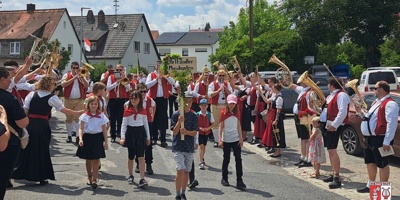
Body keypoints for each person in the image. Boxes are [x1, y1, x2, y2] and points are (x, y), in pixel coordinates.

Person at [12, 76, 84, 185]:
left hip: (30, 124)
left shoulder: (31, 94)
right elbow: (66, 111)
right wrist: (80, 112)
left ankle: (20, 173)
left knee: (27, 149)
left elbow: (25, 111)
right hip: (42, 126)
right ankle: (41, 176)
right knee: (42, 150)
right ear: (50, 85)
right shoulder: (52, 98)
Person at [356, 81, 399, 193]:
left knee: (383, 164)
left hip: (381, 138)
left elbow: (392, 124)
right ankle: (371, 186)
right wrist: (360, 112)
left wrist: (387, 141)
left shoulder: (390, 104)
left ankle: (383, 191)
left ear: (381, 89)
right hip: (370, 138)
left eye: (375, 88)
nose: (374, 90)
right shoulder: (377, 102)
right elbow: (369, 118)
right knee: (370, 161)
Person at [0, 67, 29, 199]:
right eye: (9, 79)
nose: (10, 81)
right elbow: (22, 123)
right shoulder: (10, 99)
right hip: (8, 142)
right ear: (2, 79)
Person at [320, 76, 350, 189]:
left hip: (333, 125)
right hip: (326, 123)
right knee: (330, 150)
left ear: (332, 85)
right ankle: (333, 173)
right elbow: (326, 110)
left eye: (328, 84)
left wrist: (334, 125)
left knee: (333, 150)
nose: (327, 86)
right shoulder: (331, 96)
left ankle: (337, 177)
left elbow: (342, 111)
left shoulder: (341, 95)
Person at [76, 96, 109, 189]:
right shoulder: (84, 116)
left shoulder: (101, 115)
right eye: (92, 104)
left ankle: (95, 179)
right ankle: (89, 176)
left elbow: (104, 129)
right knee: (88, 159)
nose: (94, 106)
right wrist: (81, 139)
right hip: (87, 138)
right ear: (88, 105)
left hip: (97, 138)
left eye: (95, 104)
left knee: (96, 159)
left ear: (98, 105)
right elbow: (81, 128)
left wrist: (106, 141)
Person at [170, 91, 198, 200]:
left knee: (186, 171)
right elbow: (175, 132)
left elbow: (195, 131)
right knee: (180, 170)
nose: (188, 103)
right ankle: (177, 194)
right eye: (185, 102)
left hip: (189, 147)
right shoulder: (176, 114)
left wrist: (186, 132)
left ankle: (183, 192)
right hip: (178, 146)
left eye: (190, 101)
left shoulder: (193, 115)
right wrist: (178, 122)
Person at [120, 90, 150, 188]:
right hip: (131, 133)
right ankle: (131, 175)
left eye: (135, 98)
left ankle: (142, 178)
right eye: (132, 98)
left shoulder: (143, 110)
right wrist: (122, 137)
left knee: (141, 156)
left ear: (139, 99)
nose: (133, 100)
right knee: (131, 156)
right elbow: (124, 125)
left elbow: (146, 124)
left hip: (140, 133)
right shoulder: (127, 110)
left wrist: (148, 137)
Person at [218, 94, 246, 190]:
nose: (231, 105)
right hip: (226, 139)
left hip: (235, 138)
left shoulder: (237, 112)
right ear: (227, 103)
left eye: (233, 104)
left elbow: (238, 126)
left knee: (238, 159)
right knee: (226, 159)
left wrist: (241, 138)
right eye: (230, 103)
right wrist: (220, 139)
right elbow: (221, 127)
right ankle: (224, 178)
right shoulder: (223, 112)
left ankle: (239, 180)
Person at [146, 60, 175, 147]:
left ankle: (163, 139)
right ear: (155, 66)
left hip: (163, 99)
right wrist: (156, 79)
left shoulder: (166, 74)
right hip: (154, 99)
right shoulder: (151, 75)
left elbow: (173, 83)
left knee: (163, 119)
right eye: (158, 65)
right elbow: (147, 85)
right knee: (153, 118)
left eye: (161, 65)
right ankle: (154, 138)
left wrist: (165, 77)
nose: (159, 67)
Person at [61, 61, 89, 143]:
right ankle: (69, 136)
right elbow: (63, 84)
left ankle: (77, 136)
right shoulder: (67, 75)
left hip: (79, 100)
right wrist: (74, 78)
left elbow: (87, 86)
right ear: (71, 68)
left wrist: (82, 77)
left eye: (77, 68)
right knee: (69, 118)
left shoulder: (82, 76)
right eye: (74, 68)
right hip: (68, 100)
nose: (76, 69)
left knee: (78, 118)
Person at [133, 83, 156, 175]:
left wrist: (152, 115)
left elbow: (154, 106)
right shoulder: (135, 100)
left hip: (148, 123)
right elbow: (126, 106)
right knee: (138, 144)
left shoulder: (150, 100)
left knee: (148, 145)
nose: (143, 93)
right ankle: (138, 164)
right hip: (138, 125)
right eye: (141, 91)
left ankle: (149, 164)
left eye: (145, 91)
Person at [290, 75, 312, 167]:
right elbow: (293, 86)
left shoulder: (310, 92)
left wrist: (303, 113)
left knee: (306, 139)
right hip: (299, 116)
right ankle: (303, 157)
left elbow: (311, 108)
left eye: (302, 80)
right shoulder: (302, 90)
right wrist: (286, 80)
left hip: (306, 117)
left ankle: (308, 158)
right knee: (303, 139)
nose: (300, 82)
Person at [260, 83, 286, 157]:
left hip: (276, 116)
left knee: (277, 133)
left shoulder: (279, 98)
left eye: (273, 88)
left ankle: (278, 151)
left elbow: (278, 110)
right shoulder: (275, 96)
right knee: (273, 133)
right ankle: (276, 150)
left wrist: (276, 120)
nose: (272, 89)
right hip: (272, 115)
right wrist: (262, 94)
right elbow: (267, 101)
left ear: (276, 89)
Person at [208, 69, 232, 147]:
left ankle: (224, 140)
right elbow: (210, 94)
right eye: (220, 75)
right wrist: (218, 90)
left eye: (223, 75)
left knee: (225, 123)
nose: (221, 77)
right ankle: (216, 140)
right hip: (215, 105)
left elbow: (231, 94)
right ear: (217, 76)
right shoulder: (212, 84)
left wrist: (225, 89)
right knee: (215, 123)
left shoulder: (227, 84)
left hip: (225, 105)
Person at [107, 64, 131, 143]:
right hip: (113, 99)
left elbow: (129, 89)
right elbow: (108, 88)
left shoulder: (124, 78)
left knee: (120, 118)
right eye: (117, 70)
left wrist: (123, 80)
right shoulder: (111, 77)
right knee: (113, 118)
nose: (119, 71)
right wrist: (116, 83)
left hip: (121, 100)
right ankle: (113, 135)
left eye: (120, 70)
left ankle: (120, 134)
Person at [196, 99, 215, 169]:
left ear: (207, 106)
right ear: (200, 106)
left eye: (205, 105)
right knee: (201, 146)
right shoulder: (197, 114)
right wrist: (199, 128)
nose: (203, 107)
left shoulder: (209, 114)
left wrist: (208, 128)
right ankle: (201, 161)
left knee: (204, 146)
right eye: (202, 105)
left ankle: (202, 157)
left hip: (206, 133)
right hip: (199, 133)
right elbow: (194, 124)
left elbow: (213, 124)